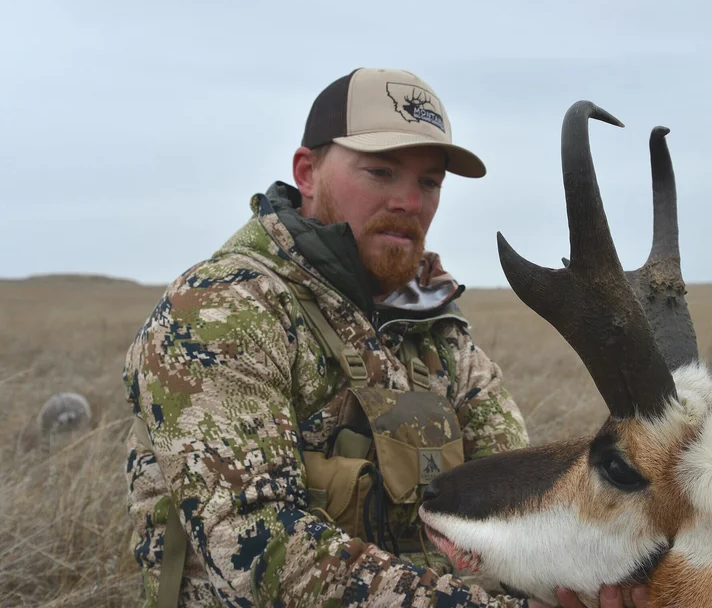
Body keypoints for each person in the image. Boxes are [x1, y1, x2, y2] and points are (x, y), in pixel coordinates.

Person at [122, 67, 651, 608]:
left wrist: (588, 586)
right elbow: (253, 547)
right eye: (380, 171)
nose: (409, 201)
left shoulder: (438, 331)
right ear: (307, 172)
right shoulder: (222, 311)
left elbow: (518, 509)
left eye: (428, 182)